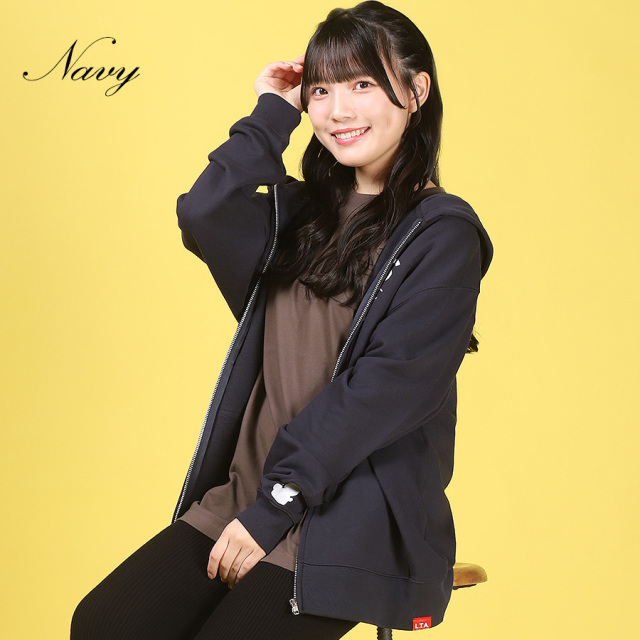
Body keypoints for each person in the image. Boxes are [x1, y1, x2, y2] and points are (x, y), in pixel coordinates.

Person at [71, 1, 493, 638]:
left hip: (350, 519)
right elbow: (206, 212)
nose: (338, 110)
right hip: (250, 488)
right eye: (321, 90)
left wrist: (276, 507)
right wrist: (273, 109)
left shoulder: (442, 234)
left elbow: (380, 392)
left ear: (415, 91)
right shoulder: (299, 215)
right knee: (105, 625)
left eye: (362, 84)